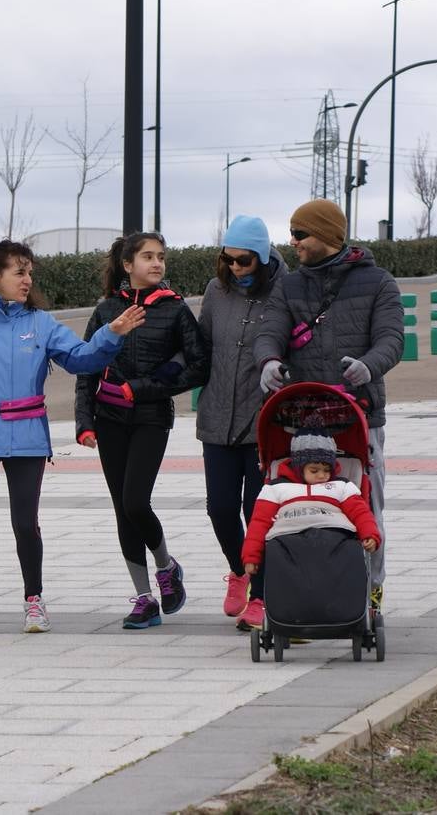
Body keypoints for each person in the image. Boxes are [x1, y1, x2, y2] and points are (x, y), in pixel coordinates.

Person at [0, 239, 144, 644]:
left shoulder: (42, 323)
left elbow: (83, 359)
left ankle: (34, 600)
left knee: (25, 524)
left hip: (29, 437)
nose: (27, 280)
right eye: (19, 272)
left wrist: (112, 333)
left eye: (29, 272)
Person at [254, 199, 403, 612]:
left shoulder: (378, 282)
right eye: (292, 232)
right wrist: (267, 361)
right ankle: (301, 594)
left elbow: (392, 339)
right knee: (298, 503)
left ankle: (371, 589)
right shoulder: (289, 285)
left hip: (359, 414)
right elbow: (269, 332)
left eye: (301, 234)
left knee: (365, 504)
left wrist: (368, 367)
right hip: (301, 417)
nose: (293, 242)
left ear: (327, 236)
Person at [76, 232, 209, 630]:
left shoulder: (175, 310)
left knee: (136, 501)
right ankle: (144, 598)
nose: (156, 264)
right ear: (127, 265)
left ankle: (167, 567)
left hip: (151, 417)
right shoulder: (106, 310)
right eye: (148, 257)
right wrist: (84, 422)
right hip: (108, 420)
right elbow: (86, 366)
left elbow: (199, 365)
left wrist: (145, 388)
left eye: (161, 257)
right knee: (121, 510)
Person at [196, 215, 287, 632]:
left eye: (244, 261)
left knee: (259, 510)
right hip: (217, 416)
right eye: (228, 260)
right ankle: (239, 571)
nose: (236, 269)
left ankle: (263, 597)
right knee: (219, 508)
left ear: (263, 256)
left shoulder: (286, 290)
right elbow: (202, 347)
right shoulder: (217, 292)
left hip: (263, 419)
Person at [241, 429, 381, 582]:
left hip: (334, 539)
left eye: (327, 470)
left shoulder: (341, 486)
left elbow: (360, 512)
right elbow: (259, 522)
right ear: (298, 467)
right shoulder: (276, 488)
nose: (322, 476)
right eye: (314, 470)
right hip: (288, 541)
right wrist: (251, 556)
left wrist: (370, 534)